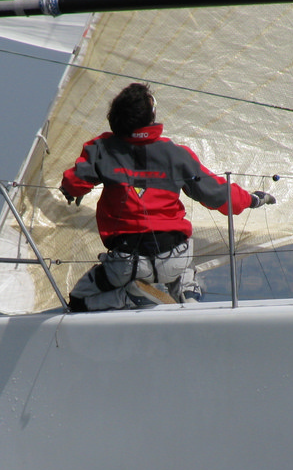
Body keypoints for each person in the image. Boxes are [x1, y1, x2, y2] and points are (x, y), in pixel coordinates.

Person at [59, 83, 277, 312]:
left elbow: (74, 183)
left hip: (126, 264)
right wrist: (252, 199)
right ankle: (188, 293)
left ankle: (128, 298)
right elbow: (216, 194)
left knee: (78, 301)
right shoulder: (176, 154)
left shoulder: (102, 148)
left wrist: (73, 191)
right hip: (174, 258)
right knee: (181, 262)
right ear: (151, 116)